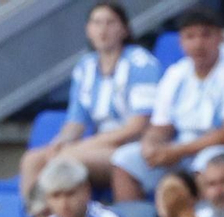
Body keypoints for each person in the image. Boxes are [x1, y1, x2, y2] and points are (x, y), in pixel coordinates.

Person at [110, 7, 224, 202]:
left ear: (220, 37)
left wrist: (178, 151)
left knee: (207, 165)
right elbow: (161, 126)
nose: (198, 44)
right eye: (190, 37)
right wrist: (150, 144)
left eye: (205, 35)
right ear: (181, 42)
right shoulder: (176, 73)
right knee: (124, 159)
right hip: (180, 149)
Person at [17, 2, 161, 197]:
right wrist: (60, 141)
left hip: (132, 146)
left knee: (65, 159)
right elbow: (76, 122)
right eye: (97, 23)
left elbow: (136, 127)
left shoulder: (141, 63)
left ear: (125, 29)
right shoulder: (85, 66)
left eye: (110, 23)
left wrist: (85, 145)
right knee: (32, 160)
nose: (103, 30)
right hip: (97, 146)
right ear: (88, 30)